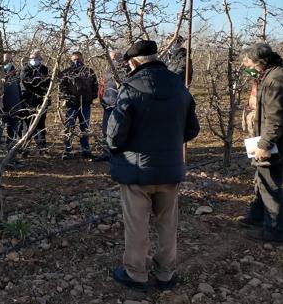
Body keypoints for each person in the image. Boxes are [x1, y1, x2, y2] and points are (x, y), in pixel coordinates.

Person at [107, 40, 200, 290]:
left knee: (137, 225)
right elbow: (192, 128)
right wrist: (169, 143)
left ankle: (136, 274)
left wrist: (119, 150)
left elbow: (114, 135)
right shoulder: (179, 86)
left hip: (137, 172)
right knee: (167, 224)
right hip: (170, 170)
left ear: (134, 62)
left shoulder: (130, 87)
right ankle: (165, 274)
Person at [237, 43, 283, 243]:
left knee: (270, 184)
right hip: (266, 138)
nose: (245, 66)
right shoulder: (268, 76)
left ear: (260, 61)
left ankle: (275, 231)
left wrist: (265, 144)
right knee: (261, 178)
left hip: (274, 142)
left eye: (247, 62)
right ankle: (256, 216)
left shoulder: (276, 80)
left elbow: (276, 117)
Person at [59, 51, 98, 160]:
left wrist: (91, 97)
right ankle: (67, 150)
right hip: (71, 105)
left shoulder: (89, 71)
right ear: (71, 60)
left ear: (83, 59)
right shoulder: (66, 72)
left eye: (79, 59)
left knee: (84, 127)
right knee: (69, 127)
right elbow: (62, 87)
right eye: (74, 59)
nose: (77, 61)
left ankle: (85, 150)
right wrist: (67, 98)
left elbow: (95, 85)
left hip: (85, 104)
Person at [95, 50, 128, 162]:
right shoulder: (108, 70)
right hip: (107, 104)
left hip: (120, 105)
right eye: (112, 58)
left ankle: (120, 154)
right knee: (106, 129)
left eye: (116, 58)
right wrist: (101, 99)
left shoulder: (126, 70)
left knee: (119, 130)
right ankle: (106, 153)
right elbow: (103, 86)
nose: (114, 60)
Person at [20, 50, 50, 153]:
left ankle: (42, 147)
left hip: (41, 101)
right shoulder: (25, 69)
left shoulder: (44, 69)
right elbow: (26, 82)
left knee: (40, 124)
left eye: (37, 58)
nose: (35, 60)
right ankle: (25, 148)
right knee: (27, 125)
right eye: (33, 58)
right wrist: (38, 80)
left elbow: (47, 83)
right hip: (27, 101)